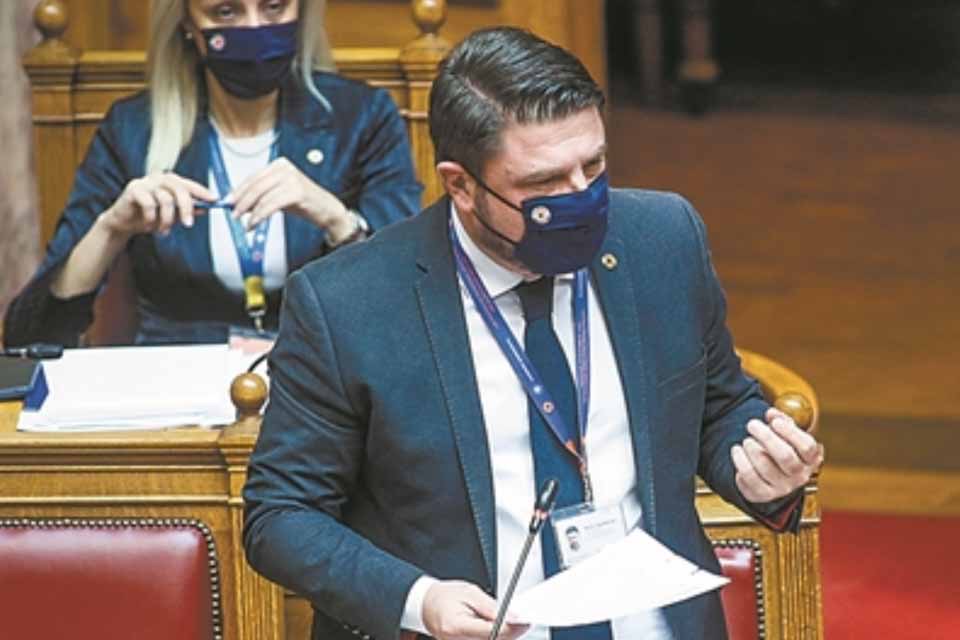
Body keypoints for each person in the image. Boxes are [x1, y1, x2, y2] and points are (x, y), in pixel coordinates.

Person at [243, 27, 825, 640]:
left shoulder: (661, 239)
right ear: (461, 185)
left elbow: (719, 407)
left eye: (593, 166)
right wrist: (419, 599)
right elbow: (280, 515)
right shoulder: (348, 304)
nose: (582, 198)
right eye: (544, 183)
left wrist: (761, 467)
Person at [3, 0, 421, 346]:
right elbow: (32, 335)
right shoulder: (132, 130)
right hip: (175, 382)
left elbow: (413, 301)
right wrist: (112, 228)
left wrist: (336, 218)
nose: (254, 28)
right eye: (226, 12)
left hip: (321, 377)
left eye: (274, 8)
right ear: (187, 22)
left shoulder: (361, 119)